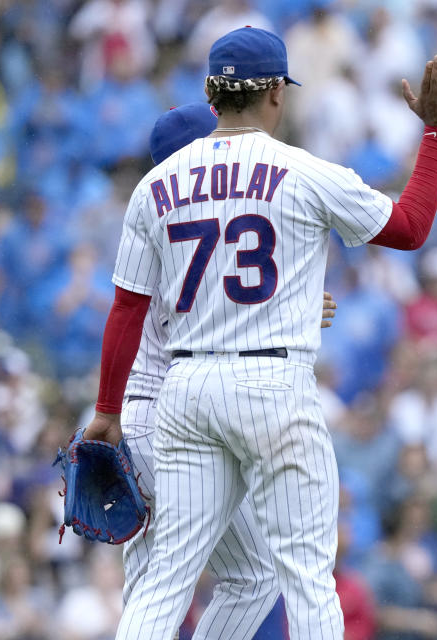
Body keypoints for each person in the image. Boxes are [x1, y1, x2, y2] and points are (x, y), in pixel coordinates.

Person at [83, 26, 437, 639]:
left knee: (167, 576)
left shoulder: (155, 186)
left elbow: (126, 310)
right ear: (277, 94)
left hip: (185, 385)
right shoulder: (304, 170)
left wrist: (105, 408)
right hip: (271, 381)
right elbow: (412, 228)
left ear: (211, 95)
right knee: (306, 573)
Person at [115, 101, 338, 640]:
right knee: (255, 576)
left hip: (144, 414)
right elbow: (228, 305)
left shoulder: (158, 218)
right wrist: (293, 306)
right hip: (177, 411)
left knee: (152, 581)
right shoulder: (193, 223)